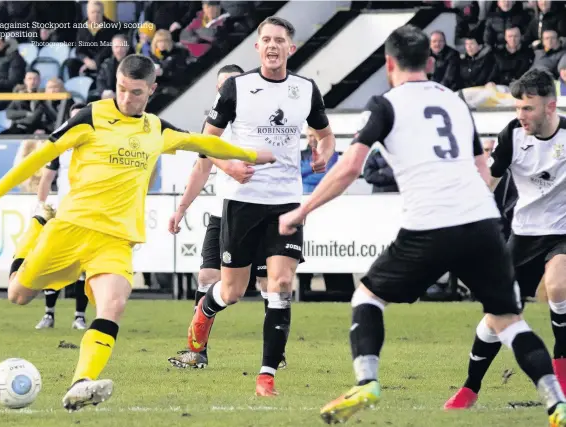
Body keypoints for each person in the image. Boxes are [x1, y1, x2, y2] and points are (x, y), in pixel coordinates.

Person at [278, 26, 566, 426]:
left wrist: (300, 211)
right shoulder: (454, 101)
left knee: (367, 298)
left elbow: (349, 169)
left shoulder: (385, 104)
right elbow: (482, 171)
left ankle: (366, 380)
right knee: (508, 320)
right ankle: (556, 403)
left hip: (429, 223)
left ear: (389, 64)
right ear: (430, 63)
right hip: (481, 223)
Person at [0, 54, 275, 412]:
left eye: (136, 93)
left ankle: (81, 383)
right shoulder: (90, 117)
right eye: (122, 90)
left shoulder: (157, 129)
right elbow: (39, 155)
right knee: (18, 294)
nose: (127, 99)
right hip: (70, 229)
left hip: (114, 240)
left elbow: (203, 142)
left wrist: (248, 153)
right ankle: (36, 228)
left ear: (152, 91)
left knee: (114, 305)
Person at [185, 16, 336, 397]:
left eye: (279, 40)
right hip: (242, 203)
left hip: (286, 201)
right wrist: (229, 165)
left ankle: (266, 376)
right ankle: (205, 312)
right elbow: (206, 143)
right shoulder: (237, 87)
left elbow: (326, 134)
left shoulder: (305, 89)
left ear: (291, 48)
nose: (272, 46)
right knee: (232, 291)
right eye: (266, 40)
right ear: (257, 47)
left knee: (282, 284)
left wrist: (323, 153)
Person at [445, 68, 566, 410]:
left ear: (550, 106)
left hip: (562, 232)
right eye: (517, 108)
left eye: (528, 108)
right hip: (524, 233)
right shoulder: (512, 135)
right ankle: (470, 388)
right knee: (498, 315)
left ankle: (561, 381)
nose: (520, 115)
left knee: (559, 286)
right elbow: (489, 184)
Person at [166, 64, 287, 370]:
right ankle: (197, 350)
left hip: (261, 210)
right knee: (207, 277)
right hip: (225, 212)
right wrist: (181, 208)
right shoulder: (215, 127)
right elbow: (200, 168)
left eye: (232, 84)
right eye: (222, 86)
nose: (226, 90)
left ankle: (275, 351)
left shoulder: (260, 121)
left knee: (267, 282)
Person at [28, 103, 90, 330]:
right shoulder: (61, 146)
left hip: (86, 215)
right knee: (52, 264)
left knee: (82, 268)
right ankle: (49, 315)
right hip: (63, 215)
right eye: (73, 118)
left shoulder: (96, 145)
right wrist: (40, 206)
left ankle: (79, 317)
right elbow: (46, 179)